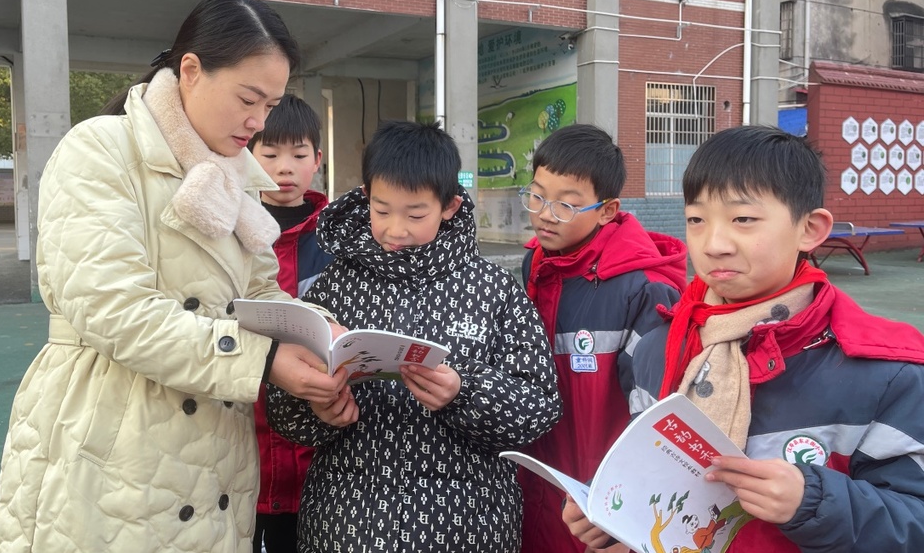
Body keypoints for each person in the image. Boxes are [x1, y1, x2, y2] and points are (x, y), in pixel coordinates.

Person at [0, 0, 349, 553]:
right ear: (191, 70)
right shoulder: (100, 150)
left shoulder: (234, 174)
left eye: (272, 105)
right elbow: (114, 310)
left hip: (213, 456)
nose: (258, 122)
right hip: (111, 440)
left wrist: (326, 337)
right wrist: (263, 359)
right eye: (249, 98)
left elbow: (260, 291)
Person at [562, 126, 924, 552]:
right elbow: (649, 471)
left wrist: (813, 501)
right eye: (696, 220)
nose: (714, 244)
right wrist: (608, 510)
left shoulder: (884, 371)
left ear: (810, 228)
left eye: (743, 219)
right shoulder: (662, 344)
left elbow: (913, 521)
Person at [267, 120, 563, 553]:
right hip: (346, 522)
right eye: (382, 211)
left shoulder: (491, 289)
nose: (396, 229)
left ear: (448, 206)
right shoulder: (333, 286)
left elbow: (539, 407)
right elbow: (283, 408)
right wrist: (316, 407)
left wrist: (465, 392)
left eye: (415, 214)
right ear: (365, 196)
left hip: (468, 525)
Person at [517, 124, 686, 553]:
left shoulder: (645, 290)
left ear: (608, 210)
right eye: (536, 196)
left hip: (598, 505)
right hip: (542, 482)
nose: (544, 214)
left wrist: (621, 504)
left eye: (566, 206)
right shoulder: (536, 265)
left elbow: (655, 420)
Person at [246, 94, 331, 553]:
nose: (285, 168)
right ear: (247, 155)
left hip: (320, 454)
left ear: (317, 160)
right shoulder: (228, 232)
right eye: (270, 153)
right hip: (246, 454)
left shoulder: (341, 239)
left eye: (299, 155)